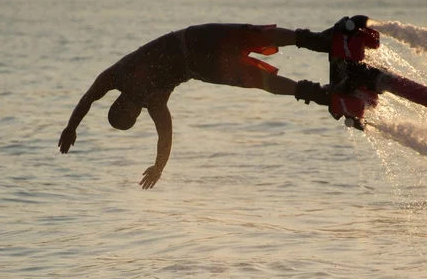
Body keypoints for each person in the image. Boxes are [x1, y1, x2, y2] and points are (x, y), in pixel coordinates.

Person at [58, 18, 368, 189]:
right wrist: (159, 166)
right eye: (132, 113)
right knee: (255, 53)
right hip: (194, 50)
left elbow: (87, 100)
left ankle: (324, 65)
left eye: (125, 109)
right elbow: (163, 136)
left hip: (193, 46)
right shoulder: (144, 96)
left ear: (121, 103)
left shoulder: (121, 80)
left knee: (254, 39)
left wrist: (72, 127)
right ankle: (325, 89)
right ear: (135, 112)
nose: (132, 107)